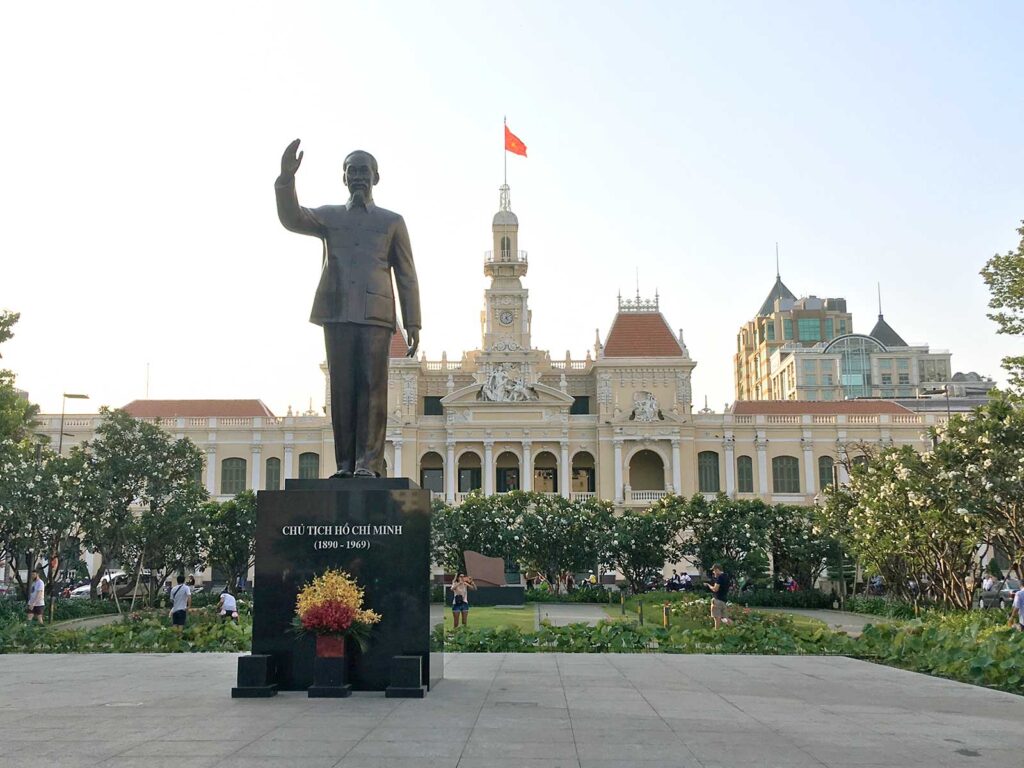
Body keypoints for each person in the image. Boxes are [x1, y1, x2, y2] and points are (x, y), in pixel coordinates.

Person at [276, 141, 421, 478]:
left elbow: (407, 273)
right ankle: (344, 465)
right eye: (352, 171)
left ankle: (368, 464)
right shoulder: (330, 217)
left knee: (373, 387)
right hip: (337, 310)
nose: (358, 177)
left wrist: (413, 321)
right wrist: (286, 180)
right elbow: (292, 217)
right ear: (344, 177)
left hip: (376, 314)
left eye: (363, 171)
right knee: (342, 389)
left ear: (376, 177)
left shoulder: (392, 221)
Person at [706, 564, 732, 629]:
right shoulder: (727, 577)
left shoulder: (720, 577)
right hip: (723, 600)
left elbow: (715, 589)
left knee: (717, 618)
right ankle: (734, 627)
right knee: (724, 618)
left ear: (717, 569)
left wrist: (708, 585)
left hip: (717, 600)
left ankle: (716, 632)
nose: (713, 572)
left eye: (714, 570)